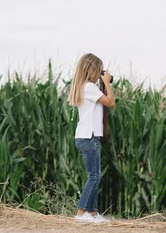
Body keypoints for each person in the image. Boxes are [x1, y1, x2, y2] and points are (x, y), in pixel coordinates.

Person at [68, 53, 115, 223]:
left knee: (94, 175)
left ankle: (92, 214)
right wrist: (107, 83)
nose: (101, 74)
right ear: (92, 69)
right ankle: (81, 213)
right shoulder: (89, 87)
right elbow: (110, 102)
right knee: (94, 176)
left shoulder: (84, 87)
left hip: (86, 136)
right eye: (99, 70)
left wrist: (103, 84)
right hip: (89, 137)